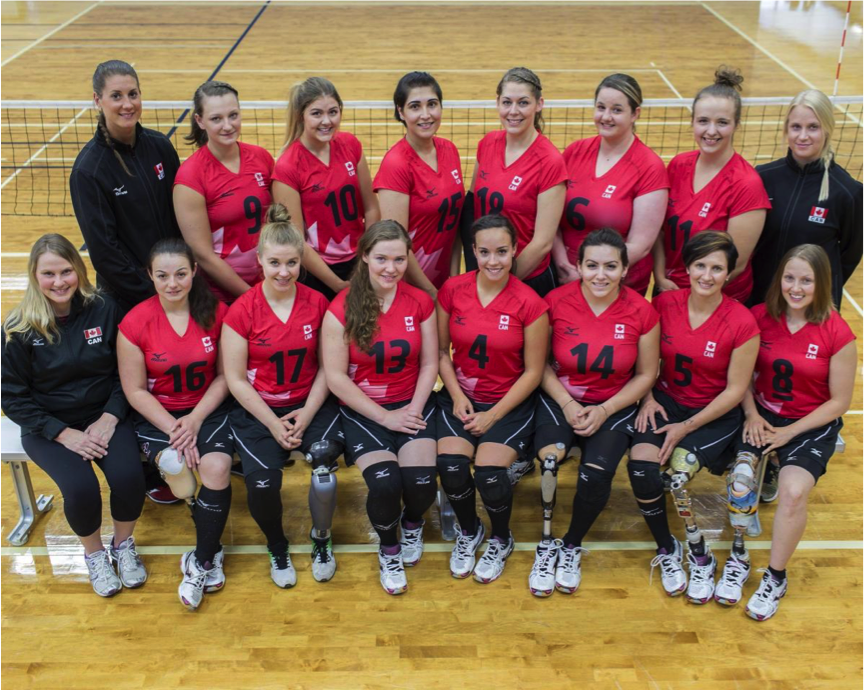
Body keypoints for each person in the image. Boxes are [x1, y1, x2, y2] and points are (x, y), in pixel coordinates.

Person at [1, 234, 146, 598]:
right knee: (81, 488)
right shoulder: (18, 328)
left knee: (129, 477)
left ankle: (123, 546)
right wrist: (63, 433)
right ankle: (94, 554)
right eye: (49, 273)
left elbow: (125, 373)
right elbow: (12, 398)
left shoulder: (105, 309)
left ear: (79, 271)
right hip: (48, 427)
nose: (59, 281)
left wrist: (111, 416)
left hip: (105, 417)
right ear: (35, 276)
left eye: (66, 271)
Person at [724, 245, 856, 620]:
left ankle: (776, 577)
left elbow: (839, 402)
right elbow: (741, 378)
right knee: (741, 480)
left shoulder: (838, 333)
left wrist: (788, 434)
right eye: (789, 277)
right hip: (760, 415)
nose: (796, 287)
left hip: (809, 423)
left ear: (823, 283)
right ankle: (736, 557)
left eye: (806, 280)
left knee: (794, 493)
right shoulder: (758, 318)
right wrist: (751, 414)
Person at [530, 228, 659, 597]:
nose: (600, 274)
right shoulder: (555, 301)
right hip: (560, 398)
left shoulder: (641, 311)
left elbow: (647, 373)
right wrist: (569, 403)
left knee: (596, 475)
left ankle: (571, 544)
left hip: (614, 404)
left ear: (625, 269)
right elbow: (538, 364)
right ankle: (546, 541)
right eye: (592, 265)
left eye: (610, 266)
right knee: (550, 464)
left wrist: (604, 410)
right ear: (578, 266)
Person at [630, 232, 759, 602]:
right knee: (641, 468)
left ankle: (706, 555)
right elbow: (644, 362)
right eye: (700, 265)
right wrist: (649, 397)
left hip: (713, 414)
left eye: (716, 268)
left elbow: (735, 390)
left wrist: (686, 427)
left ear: (729, 273)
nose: (707, 274)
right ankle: (669, 548)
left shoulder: (742, 320)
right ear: (686, 267)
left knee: (676, 478)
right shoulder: (664, 303)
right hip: (664, 403)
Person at [222, 204, 344, 587]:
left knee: (324, 469)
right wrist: (274, 423)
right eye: (275, 262)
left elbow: (329, 367)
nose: (283, 272)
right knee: (262, 486)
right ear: (259, 260)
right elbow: (236, 379)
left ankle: (321, 539)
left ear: (301, 261)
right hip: (261, 410)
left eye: (292, 263)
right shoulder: (242, 311)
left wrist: (306, 414)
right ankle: (277, 545)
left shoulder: (317, 303)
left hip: (310, 404)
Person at [322, 220, 438, 595]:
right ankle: (389, 550)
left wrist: (414, 410)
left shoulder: (420, 302)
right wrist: (385, 416)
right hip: (365, 411)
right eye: (382, 258)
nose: (391, 268)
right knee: (386, 484)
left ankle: (413, 523)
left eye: (400, 259)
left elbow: (430, 364)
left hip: (412, 402)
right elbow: (336, 377)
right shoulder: (341, 308)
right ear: (365, 257)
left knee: (421, 485)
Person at [117, 238, 232, 611]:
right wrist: (175, 428)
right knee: (176, 466)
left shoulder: (216, 312)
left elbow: (226, 376)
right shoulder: (135, 323)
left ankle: (200, 559)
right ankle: (208, 546)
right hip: (159, 416)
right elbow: (134, 391)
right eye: (163, 275)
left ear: (194, 272)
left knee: (216, 466)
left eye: (181, 273)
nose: (173, 283)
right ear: (150, 275)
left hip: (207, 411)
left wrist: (195, 420)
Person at [436, 214, 549, 583]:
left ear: (515, 250)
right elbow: (439, 353)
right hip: (462, 397)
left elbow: (534, 372)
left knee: (488, 474)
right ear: (473, 251)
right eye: (484, 252)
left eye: (502, 251)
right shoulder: (453, 289)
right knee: (451, 467)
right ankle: (470, 531)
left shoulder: (530, 304)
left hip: (509, 405)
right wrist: (455, 396)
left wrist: (493, 415)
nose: (494, 260)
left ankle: (501, 537)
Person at [70, 60, 181, 315]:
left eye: (133, 94)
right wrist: (151, 293)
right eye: (116, 96)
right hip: (129, 302)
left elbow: (180, 217)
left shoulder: (160, 146)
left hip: (175, 287)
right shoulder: (88, 171)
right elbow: (104, 253)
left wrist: (178, 281)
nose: (128, 104)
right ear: (98, 100)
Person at [653, 67, 770, 304]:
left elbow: (734, 263)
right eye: (703, 121)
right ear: (693, 122)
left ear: (736, 125)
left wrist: (690, 295)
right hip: (669, 290)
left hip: (717, 299)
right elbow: (660, 231)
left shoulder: (746, 184)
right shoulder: (677, 165)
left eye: (722, 123)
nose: (711, 131)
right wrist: (659, 277)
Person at [552, 74, 668, 295]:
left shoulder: (649, 167)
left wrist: (592, 276)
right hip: (566, 277)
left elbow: (640, 246)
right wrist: (563, 265)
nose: (606, 117)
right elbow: (552, 221)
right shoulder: (574, 152)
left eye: (617, 110)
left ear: (635, 114)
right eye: (601, 107)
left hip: (617, 286)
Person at [751, 90, 864, 308]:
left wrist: (815, 290)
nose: (803, 136)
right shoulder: (763, 177)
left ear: (827, 129)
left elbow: (848, 257)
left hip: (811, 309)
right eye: (796, 127)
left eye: (813, 127)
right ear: (786, 129)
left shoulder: (848, 192)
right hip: (761, 301)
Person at [272, 77, 380, 300]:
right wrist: (337, 284)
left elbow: (371, 208)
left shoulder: (350, 145)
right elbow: (296, 240)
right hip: (317, 271)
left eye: (333, 112)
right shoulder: (288, 167)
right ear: (301, 115)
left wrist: (365, 260)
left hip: (360, 260)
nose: (327, 121)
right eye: (316, 113)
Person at [466, 67, 567, 297]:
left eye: (523, 103)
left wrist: (502, 282)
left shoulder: (550, 161)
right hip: (487, 272)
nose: (513, 111)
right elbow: (473, 204)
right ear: (497, 103)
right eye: (506, 102)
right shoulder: (487, 143)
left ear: (539, 104)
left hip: (527, 280)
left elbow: (542, 243)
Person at [174, 80, 274, 303]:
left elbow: (277, 221)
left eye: (233, 115)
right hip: (220, 296)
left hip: (271, 282)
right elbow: (203, 255)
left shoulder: (261, 158)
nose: (228, 125)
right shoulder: (190, 176)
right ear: (200, 121)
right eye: (216, 119)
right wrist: (251, 297)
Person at [375, 72, 465, 298]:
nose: (426, 115)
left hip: (441, 282)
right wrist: (430, 293)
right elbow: (396, 244)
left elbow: (454, 225)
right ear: (400, 112)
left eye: (432, 104)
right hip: (407, 287)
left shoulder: (449, 150)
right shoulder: (396, 164)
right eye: (415, 106)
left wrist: (451, 282)